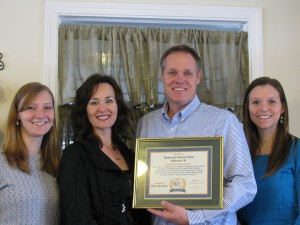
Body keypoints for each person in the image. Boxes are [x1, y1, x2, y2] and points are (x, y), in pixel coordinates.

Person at [136, 44, 257, 225]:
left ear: (198, 77)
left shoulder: (223, 121)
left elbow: (245, 185)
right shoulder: (146, 123)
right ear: (161, 76)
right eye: (172, 72)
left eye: (188, 73)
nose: (179, 79)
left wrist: (195, 217)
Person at [57, 74, 150, 225]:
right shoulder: (75, 155)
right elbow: (78, 218)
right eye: (94, 102)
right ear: (84, 110)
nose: (103, 108)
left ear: (117, 106)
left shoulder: (129, 154)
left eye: (109, 101)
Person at [237, 77, 300, 224]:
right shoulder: (239, 154)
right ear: (247, 107)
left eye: (271, 101)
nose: (263, 108)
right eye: (255, 102)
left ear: (282, 107)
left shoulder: (296, 150)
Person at [0, 82, 61, 224]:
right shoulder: (2, 161)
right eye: (30, 108)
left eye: (47, 107)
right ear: (17, 115)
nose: (40, 114)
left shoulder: (58, 164)